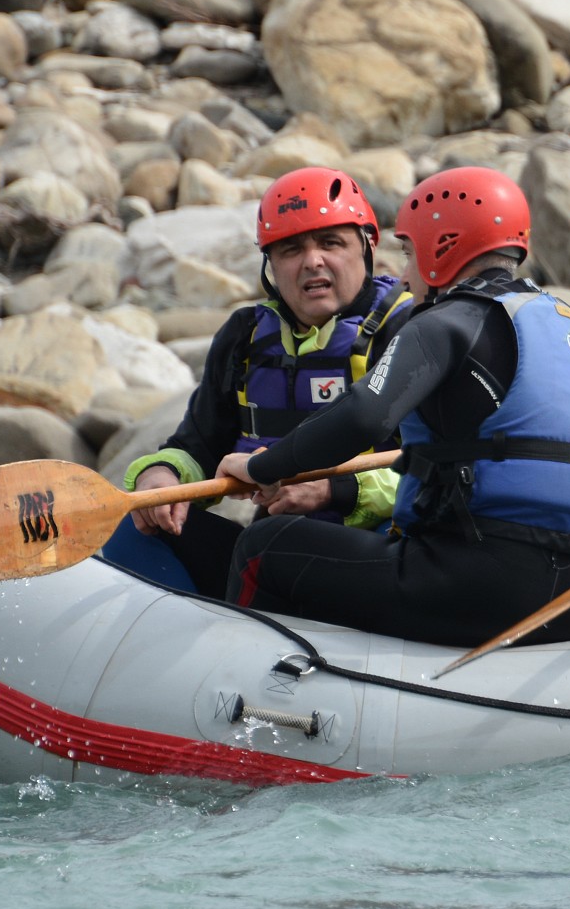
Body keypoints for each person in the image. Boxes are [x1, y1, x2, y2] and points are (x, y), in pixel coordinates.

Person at [216, 166, 570, 647]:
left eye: (410, 252)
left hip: (477, 587)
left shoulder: (446, 322)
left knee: (262, 545)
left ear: (443, 247)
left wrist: (262, 466)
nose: (407, 274)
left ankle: (238, 679)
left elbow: (361, 417)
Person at [101, 166, 411, 597]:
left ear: (367, 246)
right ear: (270, 264)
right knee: (138, 530)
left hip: (375, 550)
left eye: (330, 243)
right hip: (269, 548)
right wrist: (163, 476)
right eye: (290, 249)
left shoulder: (411, 331)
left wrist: (334, 491)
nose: (312, 261)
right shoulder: (244, 337)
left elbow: (439, 474)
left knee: (266, 545)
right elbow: (200, 447)